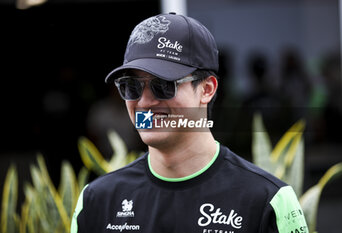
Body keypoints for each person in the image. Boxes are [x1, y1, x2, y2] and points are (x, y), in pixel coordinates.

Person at [71, 12, 308, 233]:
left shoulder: (268, 200)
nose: (144, 102)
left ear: (206, 89)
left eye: (163, 85)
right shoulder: (96, 201)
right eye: (131, 87)